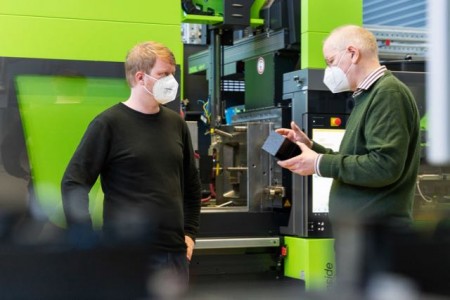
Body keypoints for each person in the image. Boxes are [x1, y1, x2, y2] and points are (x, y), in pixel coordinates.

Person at [276, 25, 420, 285]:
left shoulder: (387, 94)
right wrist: (311, 146)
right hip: (363, 236)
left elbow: (384, 166)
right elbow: (359, 158)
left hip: (376, 238)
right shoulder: (368, 95)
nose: (329, 70)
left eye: (330, 61)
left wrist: (319, 163)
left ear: (352, 53)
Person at [61, 41, 202, 295]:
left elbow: (192, 185)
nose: (171, 80)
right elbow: (74, 183)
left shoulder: (175, 124)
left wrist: (190, 234)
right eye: (163, 74)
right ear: (140, 77)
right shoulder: (108, 124)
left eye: (172, 73)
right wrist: (86, 241)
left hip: (173, 255)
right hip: (126, 255)